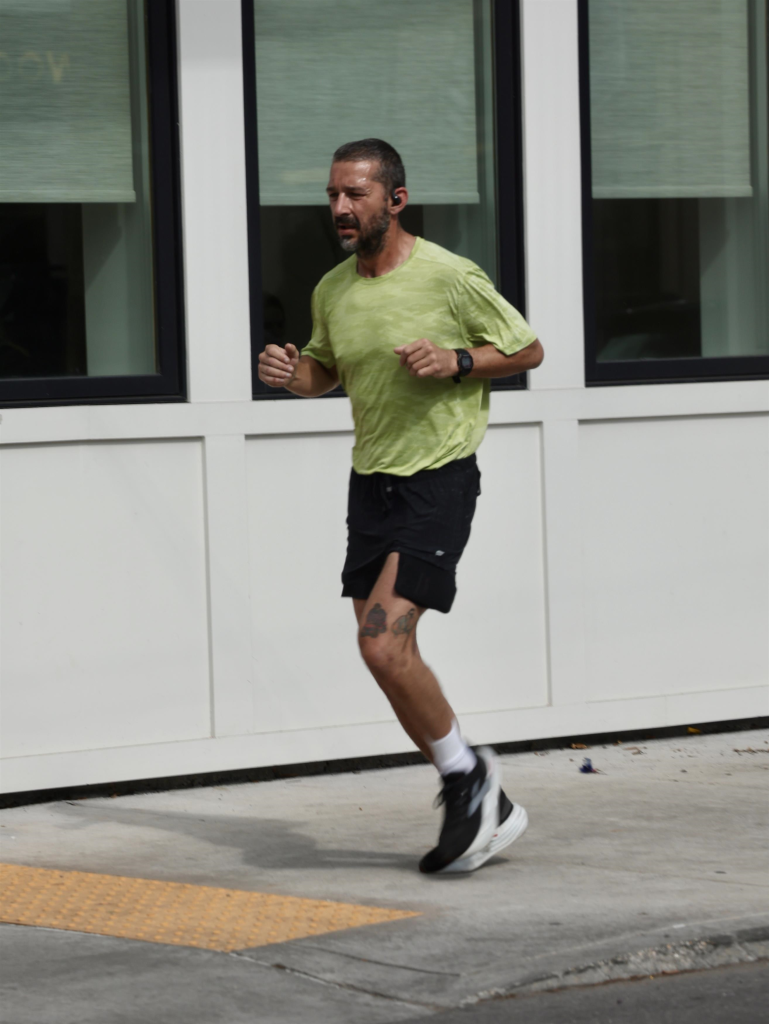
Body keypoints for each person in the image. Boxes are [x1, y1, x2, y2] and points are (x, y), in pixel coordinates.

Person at [258, 139, 544, 874]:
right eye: (331, 195)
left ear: (396, 199)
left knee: (381, 642)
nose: (340, 209)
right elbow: (327, 374)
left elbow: (526, 350)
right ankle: (478, 790)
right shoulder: (332, 289)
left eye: (354, 194)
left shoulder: (449, 276)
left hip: (437, 478)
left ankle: (469, 779)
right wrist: (294, 374)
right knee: (386, 655)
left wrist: (455, 361)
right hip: (371, 482)